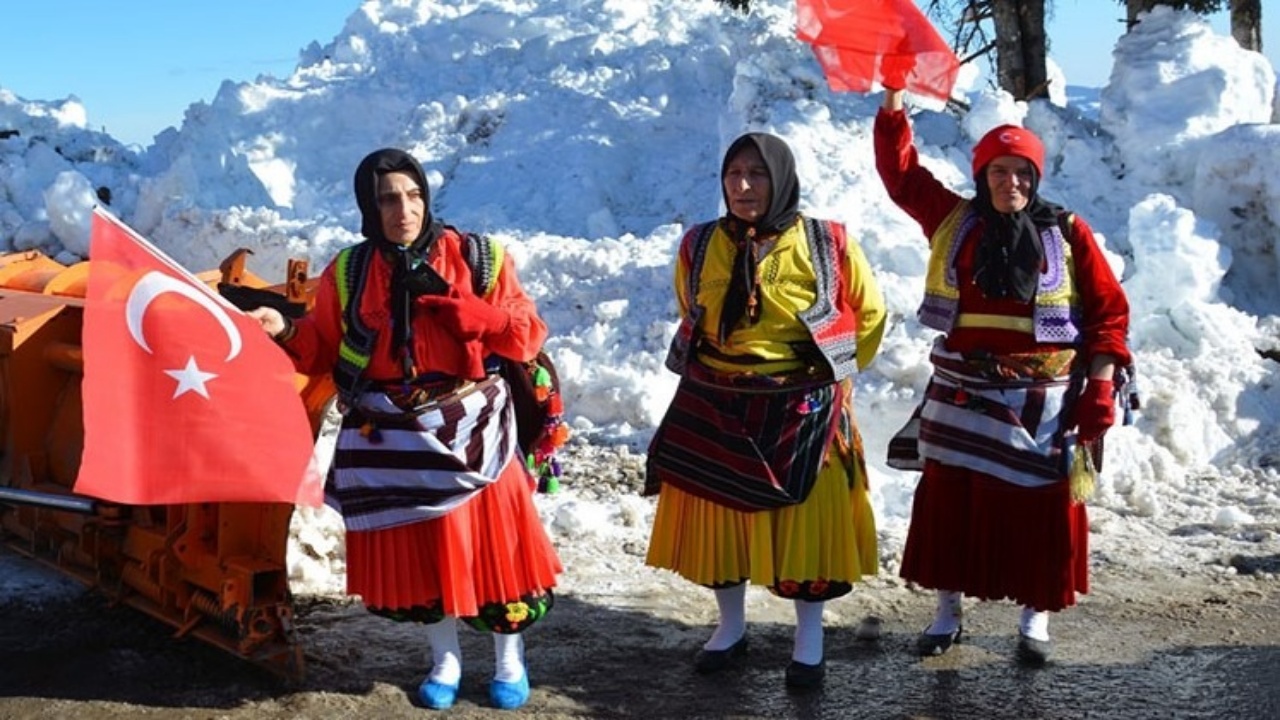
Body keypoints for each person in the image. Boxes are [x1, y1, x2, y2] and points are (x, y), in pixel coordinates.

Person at [248, 148, 562, 710]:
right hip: (394, 436)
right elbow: (320, 347)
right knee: (423, 558)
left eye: (413, 195)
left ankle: (510, 659)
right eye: (388, 198)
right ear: (369, 206)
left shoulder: (479, 257)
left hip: (473, 429)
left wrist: (481, 317)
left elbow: (527, 334)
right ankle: (444, 658)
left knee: (495, 554)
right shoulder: (348, 272)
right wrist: (282, 328)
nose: (404, 209)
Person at [874, 88, 1132, 666]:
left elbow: (1110, 313)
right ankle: (947, 612)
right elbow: (901, 177)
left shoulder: (1067, 233)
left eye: (1020, 172)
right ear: (981, 174)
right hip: (962, 389)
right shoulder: (952, 221)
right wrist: (893, 108)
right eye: (996, 171)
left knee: (1040, 508)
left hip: (1043, 400)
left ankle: (1033, 617)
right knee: (950, 502)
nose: (1008, 182)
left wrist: (1101, 386)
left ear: (1035, 177)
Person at [644, 132, 886, 690]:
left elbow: (869, 315)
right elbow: (692, 306)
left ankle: (808, 640)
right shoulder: (699, 244)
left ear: (782, 179)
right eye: (734, 174)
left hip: (801, 406)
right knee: (719, 520)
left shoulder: (828, 244)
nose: (744, 185)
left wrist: (832, 377)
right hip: (718, 400)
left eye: (758, 174)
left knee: (806, 522)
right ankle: (730, 628)